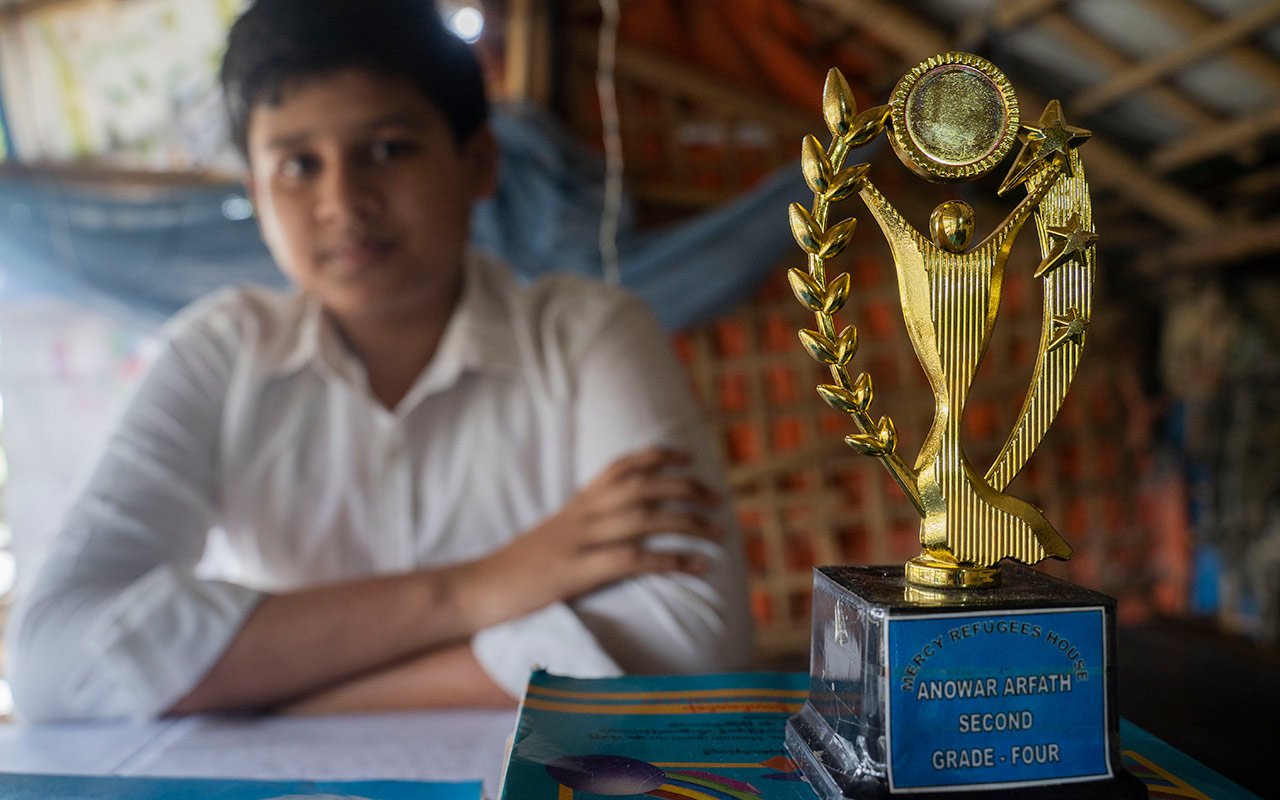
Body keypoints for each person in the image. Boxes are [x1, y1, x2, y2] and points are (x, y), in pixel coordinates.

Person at [7, 0, 751, 721]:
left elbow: (688, 641)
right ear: (255, 195)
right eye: (297, 164)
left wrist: (285, 697)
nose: (343, 200)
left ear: (478, 163)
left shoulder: (589, 336)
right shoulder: (218, 356)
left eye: (388, 150)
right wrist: (479, 590)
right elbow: (51, 660)